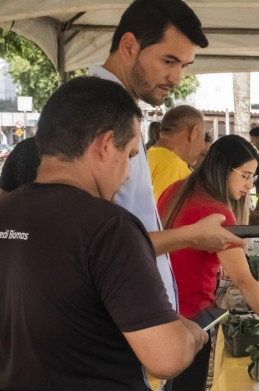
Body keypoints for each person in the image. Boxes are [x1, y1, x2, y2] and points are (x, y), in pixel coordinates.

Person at [0, 77, 208, 391]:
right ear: (103, 144)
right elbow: (165, 356)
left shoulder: (8, 211)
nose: (128, 171)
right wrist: (191, 334)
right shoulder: (107, 227)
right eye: (130, 155)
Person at [91, 0, 243, 313]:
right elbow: (94, 243)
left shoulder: (122, 111)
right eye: (168, 61)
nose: (176, 78)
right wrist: (192, 235)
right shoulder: (96, 113)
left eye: (183, 66)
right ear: (129, 45)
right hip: (119, 324)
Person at [158, 134, 259, 391]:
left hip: (162, 309)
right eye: (244, 175)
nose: (249, 184)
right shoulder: (215, 211)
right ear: (223, 169)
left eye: (253, 177)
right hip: (192, 319)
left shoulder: (177, 190)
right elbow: (244, 280)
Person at [149, 105, 206, 201]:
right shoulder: (176, 169)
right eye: (203, 138)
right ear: (194, 133)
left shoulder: (145, 156)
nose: (203, 146)